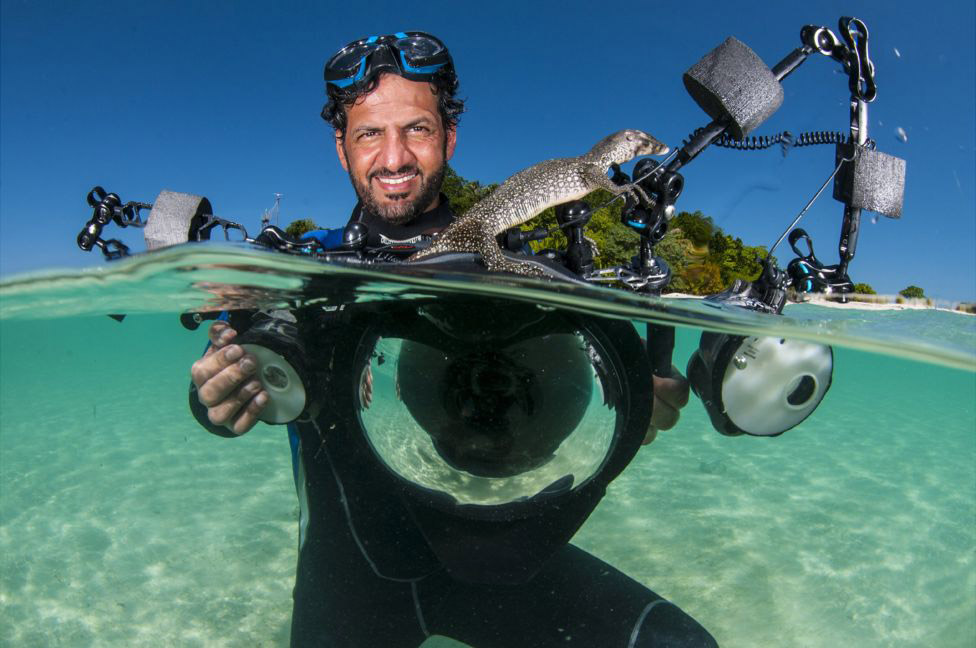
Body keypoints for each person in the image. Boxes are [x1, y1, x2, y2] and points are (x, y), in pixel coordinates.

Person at [190, 31, 717, 647]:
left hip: (511, 562)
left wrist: (639, 392)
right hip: (351, 583)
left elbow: (597, 367)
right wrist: (222, 390)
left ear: (448, 137)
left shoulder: (515, 260)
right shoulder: (308, 268)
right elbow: (261, 346)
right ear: (341, 148)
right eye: (368, 134)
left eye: (416, 129)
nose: (394, 158)